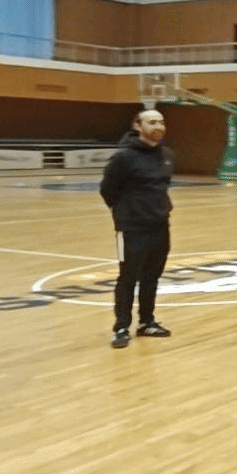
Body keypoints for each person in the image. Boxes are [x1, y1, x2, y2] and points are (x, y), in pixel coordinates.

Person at [99, 109, 175, 350]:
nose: (158, 126)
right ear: (138, 126)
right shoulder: (123, 158)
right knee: (128, 277)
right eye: (152, 122)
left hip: (160, 226)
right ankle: (121, 327)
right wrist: (127, 213)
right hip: (131, 229)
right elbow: (107, 190)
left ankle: (147, 322)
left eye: (161, 122)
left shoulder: (167, 155)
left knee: (152, 276)